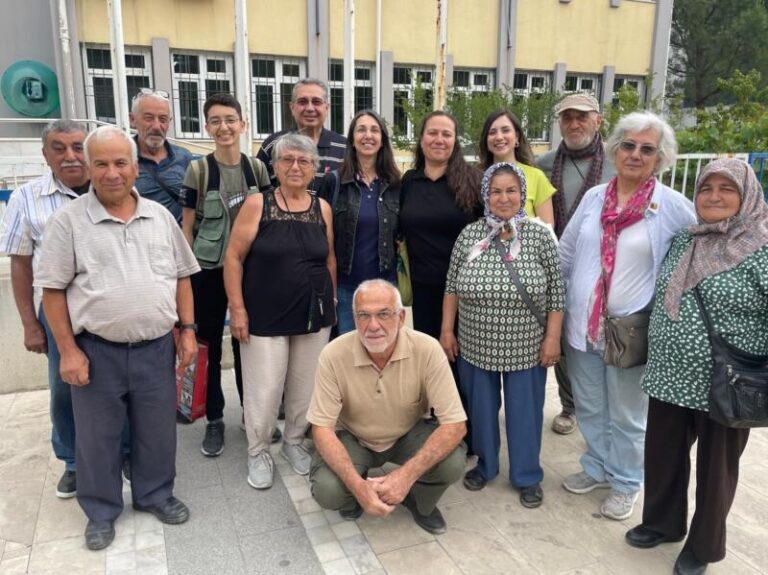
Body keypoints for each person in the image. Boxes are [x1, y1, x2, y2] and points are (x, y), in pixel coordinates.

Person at [34, 126, 199, 550]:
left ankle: (154, 494)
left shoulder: (159, 217)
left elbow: (182, 278)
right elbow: (52, 291)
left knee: (157, 431)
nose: (112, 173)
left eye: (120, 163)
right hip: (96, 351)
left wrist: (187, 330)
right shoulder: (68, 222)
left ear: (134, 167)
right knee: (97, 438)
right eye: (102, 164)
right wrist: (68, 351)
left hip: (156, 347)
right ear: (89, 168)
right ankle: (101, 510)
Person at [625, 159, 768, 575]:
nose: (714, 197)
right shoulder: (685, 239)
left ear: (747, 196)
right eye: (707, 188)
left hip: (727, 381)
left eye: (727, 189)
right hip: (670, 375)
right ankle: (662, 523)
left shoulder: (760, 247)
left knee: (716, 469)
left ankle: (703, 546)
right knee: (663, 454)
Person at [559, 111, 696, 521]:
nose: (635, 154)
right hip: (583, 326)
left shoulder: (672, 207)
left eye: (647, 149)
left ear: (660, 158)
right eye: (629, 145)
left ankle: (626, 481)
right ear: (615, 149)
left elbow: (698, 251)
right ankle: (597, 467)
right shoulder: (594, 197)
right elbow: (567, 252)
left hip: (629, 331)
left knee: (627, 414)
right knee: (589, 404)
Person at [441, 163, 564, 508]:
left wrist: (552, 338)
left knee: (525, 413)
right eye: (496, 191)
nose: (504, 198)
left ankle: (527, 475)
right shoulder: (469, 235)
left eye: (511, 190)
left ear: (523, 194)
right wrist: (447, 330)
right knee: (481, 411)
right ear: (485, 195)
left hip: (525, 344)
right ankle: (486, 465)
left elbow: (557, 293)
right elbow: (451, 286)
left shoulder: (540, 235)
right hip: (475, 341)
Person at [307, 279, 467, 534]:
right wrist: (358, 487)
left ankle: (419, 499)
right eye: (363, 315)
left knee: (453, 463)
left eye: (383, 314)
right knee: (328, 490)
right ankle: (355, 497)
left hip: (407, 433)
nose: (373, 326)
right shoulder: (333, 354)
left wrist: (405, 477)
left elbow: (456, 425)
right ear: (354, 318)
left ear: (401, 317)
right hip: (354, 437)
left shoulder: (427, 349)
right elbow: (321, 428)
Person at [224, 133, 336, 489]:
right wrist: (237, 309)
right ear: (274, 166)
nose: (295, 166)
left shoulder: (322, 208)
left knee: (305, 386)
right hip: (264, 315)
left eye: (304, 161)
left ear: (314, 168)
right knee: (265, 388)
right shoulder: (258, 204)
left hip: (313, 314)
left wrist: (331, 301)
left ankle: (293, 441)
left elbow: (329, 258)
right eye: (287, 159)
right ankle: (258, 450)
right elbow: (233, 258)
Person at [0, 120, 90, 499]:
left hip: (106, 311)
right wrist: (29, 324)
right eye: (59, 148)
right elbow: (21, 264)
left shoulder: (111, 188)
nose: (70, 156)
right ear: (45, 154)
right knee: (64, 389)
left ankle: (122, 453)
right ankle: (72, 461)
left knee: (117, 386)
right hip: (57, 315)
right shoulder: (27, 197)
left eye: (78, 147)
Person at [181, 93, 273, 456]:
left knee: (247, 346)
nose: (224, 127)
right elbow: (187, 227)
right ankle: (215, 419)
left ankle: (251, 415)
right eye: (216, 121)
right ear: (207, 127)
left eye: (230, 120)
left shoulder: (257, 169)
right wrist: (187, 278)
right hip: (208, 272)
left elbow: (270, 218)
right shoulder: (199, 170)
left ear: (242, 124)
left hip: (251, 273)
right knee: (210, 347)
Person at [537, 92, 617, 436]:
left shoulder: (617, 161)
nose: (574, 124)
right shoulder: (545, 163)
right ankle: (570, 406)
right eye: (567, 118)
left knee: (605, 342)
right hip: (559, 265)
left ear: (598, 120)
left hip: (606, 268)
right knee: (565, 339)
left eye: (582, 117)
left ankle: (606, 410)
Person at [399, 110, 482, 340]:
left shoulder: (474, 181)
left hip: (465, 291)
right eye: (432, 133)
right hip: (421, 290)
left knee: (459, 358)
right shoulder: (409, 181)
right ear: (421, 139)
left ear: (455, 141)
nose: (439, 139)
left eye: (446, 134)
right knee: (429, 355)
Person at [316, 109, 401, 334]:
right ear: (352, 140)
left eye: (374, 130)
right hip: (346, 288)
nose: (368, 135)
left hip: (385, 287)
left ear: (382, 140)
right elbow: (320, 237)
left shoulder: (395, 185)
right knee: (349, 350)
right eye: (361, 130)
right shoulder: (334, 182)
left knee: (383, 348)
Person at [257, 78, 347, 193]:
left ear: (327, 108)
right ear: (292, 107)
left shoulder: (344, 148)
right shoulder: (273, 144)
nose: (310, 108)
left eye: (316, 102)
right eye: (302, 102)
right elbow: (258, 191)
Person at [478, 110, 556, 226]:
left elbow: (547, 229)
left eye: (505, 130)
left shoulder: (536, 177)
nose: (499, 137)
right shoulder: (475, 178)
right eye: (492, 132)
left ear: (517, 137)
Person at [130, 88, 193, 223]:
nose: (156, 126)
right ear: (133, 120)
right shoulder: (123, 160)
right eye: (149, 118)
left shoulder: (184, 157)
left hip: (179, 234)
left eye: (163, 119)